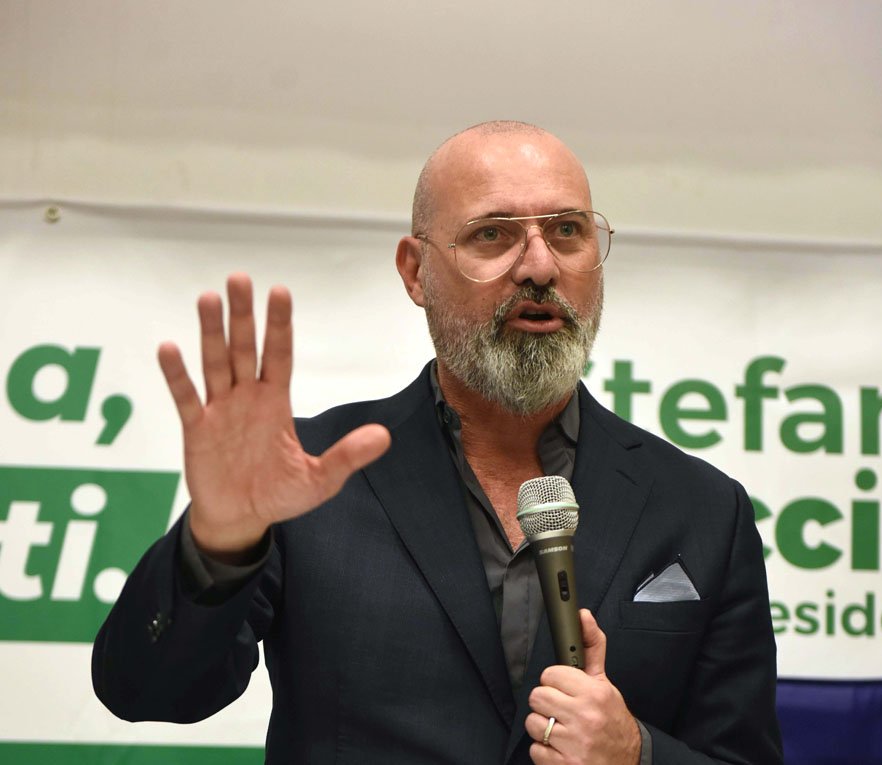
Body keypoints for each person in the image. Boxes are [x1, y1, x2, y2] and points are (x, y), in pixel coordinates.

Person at [92, 121, 783, 764]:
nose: (539, 266)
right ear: (415, 271)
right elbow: (146, 690)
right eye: (493, 235)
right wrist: (219, 545)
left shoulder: (701, 508)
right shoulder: (310, 475)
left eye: (567, 230)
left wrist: (637, 752)